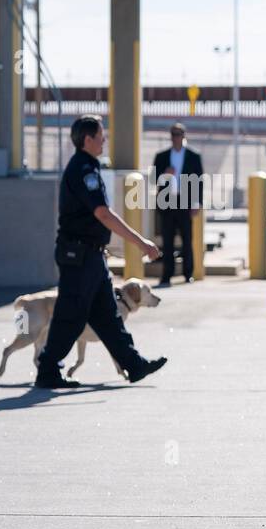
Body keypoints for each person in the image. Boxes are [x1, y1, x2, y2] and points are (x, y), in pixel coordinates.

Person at [33, 115, 168, 389]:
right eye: (100, 136)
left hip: (91, 256)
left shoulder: (88, 167)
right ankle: (48, 370)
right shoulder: (83, 170)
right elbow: (103, 214)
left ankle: (134, 364)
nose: (104, 140)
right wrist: (141, 242)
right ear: (87, 139)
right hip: (79, 256)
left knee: (108, 316)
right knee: (70, 316)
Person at [152, 123, 204, 286]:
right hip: (167, 202)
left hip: (185, 202)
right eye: (174, 134)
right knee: (167, 241)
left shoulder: (193, 156)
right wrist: (164, 174)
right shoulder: (161, 156)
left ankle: (188, 273)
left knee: (187, 240)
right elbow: (154, 179)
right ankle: (167, 275)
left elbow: (198, 181)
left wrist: (197, 203)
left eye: (179, 134)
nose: (176, 137)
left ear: (184, 136)